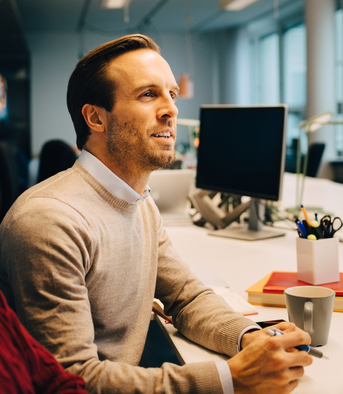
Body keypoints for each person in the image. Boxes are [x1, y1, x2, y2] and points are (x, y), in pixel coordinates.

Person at [0, 34, 312, 394]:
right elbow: (74, 381)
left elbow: (186, 296)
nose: (172, 110)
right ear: (95, 118)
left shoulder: (139, 202)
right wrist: (231, 379)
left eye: (172, 94)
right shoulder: (50, 222)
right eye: (148, 95)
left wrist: (252, 339)